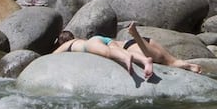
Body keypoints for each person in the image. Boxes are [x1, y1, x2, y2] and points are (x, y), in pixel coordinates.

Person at [54, 22, 199, 79]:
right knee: (170, 61)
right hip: (130, 42)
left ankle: (135, 37)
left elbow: (53, 56)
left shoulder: (72, 44)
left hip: (129, 46)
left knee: (158, 59)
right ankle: (189, 65)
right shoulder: (83, 39)